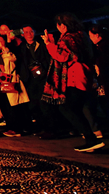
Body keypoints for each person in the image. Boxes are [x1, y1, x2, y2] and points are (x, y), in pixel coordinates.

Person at [41, 13, 103, 152]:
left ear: (62, 26)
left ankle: (91, 138)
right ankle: (91, 137)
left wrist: (49, 44)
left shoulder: (68, 38)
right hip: (85, 74)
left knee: (66, 107)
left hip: (74, 76)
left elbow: (62, 56)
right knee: (76, 107)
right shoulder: (82, 35)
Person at [0, 36, 30, 137]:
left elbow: (13, 59)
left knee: (13, 106)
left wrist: (5, 49)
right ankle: (10, 127)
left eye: (1, 41)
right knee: (5, 106)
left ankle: (16, 129)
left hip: (10, 81)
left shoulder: (9, 53)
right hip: (1, 83)